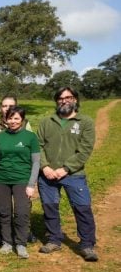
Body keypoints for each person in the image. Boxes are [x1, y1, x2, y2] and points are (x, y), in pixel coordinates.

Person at [37, 86, 98, 262]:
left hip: (74, 175)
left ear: (75, 100)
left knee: (82, 208)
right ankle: (54, 239)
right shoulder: (47, 122)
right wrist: (45, 167)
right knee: (50, 207)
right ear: (57, 101)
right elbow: (38, 146)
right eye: (61, 98)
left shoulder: (84, 122)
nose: (64, 100)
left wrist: (65, 168)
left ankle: (87, 244)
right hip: (47, 175)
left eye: (68, 97)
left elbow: (85, 150)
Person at [0, 106, 40, 259]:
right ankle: (6, 242)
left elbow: (36, 162)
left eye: (16, 118)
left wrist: (31, 184)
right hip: (2, 180)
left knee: (21, 212)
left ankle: (21, 243)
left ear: (22, 120)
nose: (12, 121)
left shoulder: (30, 137)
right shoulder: (0, 137)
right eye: (10, 118)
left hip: (22, 180)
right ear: (6, 119)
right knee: (4, 213)